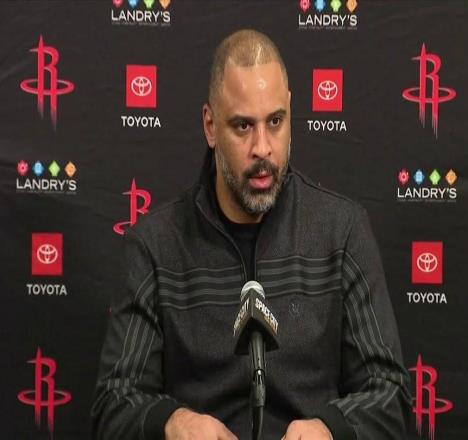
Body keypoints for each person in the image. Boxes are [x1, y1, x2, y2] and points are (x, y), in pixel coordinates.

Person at [91, 29, 411, 440]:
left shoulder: (342, 231)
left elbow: (390, 394)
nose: (263, 148)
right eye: (242, 126)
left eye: (275, 122)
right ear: (210, 126)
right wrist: (173, 423)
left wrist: (330, 430)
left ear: (291, 112)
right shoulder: (155, 246)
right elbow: (113, 404)